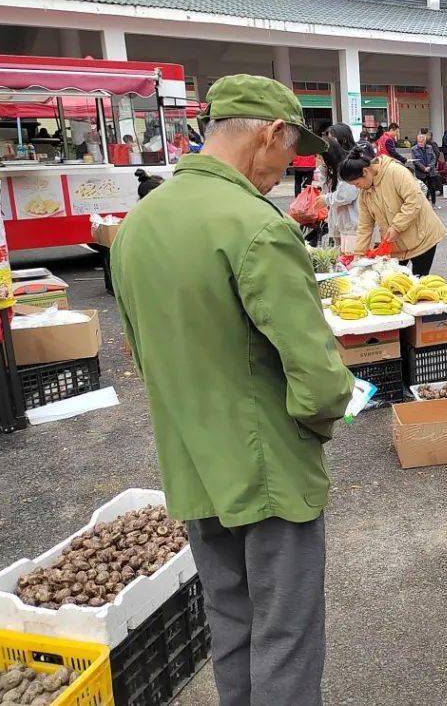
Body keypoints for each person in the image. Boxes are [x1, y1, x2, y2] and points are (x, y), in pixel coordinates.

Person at [111, 75, 352, 706]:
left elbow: (144, 354)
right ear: (269, 132)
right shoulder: (256, 225)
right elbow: (319, 374)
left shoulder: (138, 224)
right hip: (269, 467)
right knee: (286, 635)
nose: (284, 172)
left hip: (193, 461)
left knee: (231, 624)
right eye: (287, 153)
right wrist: (317, 422)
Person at [342, 144, 446, 275]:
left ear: (365, 171)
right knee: (393, 282)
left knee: (418, 282)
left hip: (423, 238)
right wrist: (359, 254)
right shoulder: (364, 193)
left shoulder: (395, 172)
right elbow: (365, 225)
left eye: (357, 183)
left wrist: (397, 227)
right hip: (396, 246)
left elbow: (414, 201)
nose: (358, 188)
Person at [320, 124, 359, 248]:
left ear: (344, 139)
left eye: (333, 139)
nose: (331, 143)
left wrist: (326, 199)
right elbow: (327, 190)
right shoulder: (331, 166)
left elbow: (347, 195)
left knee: (351, 258)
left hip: (353, 224)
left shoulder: (350, 163)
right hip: (338, 221)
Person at [410, 131, 440, 205]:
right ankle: (424, 203)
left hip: (430, 171)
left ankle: (433, 203)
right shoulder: (414, 149)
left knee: (432, 187)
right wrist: (424, 168)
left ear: (425, 141)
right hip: (420, 171)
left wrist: (430, 166)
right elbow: (415, 161)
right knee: (422, 188)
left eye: (422, 142)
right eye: (419, 141)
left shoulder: (429, 147)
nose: (421, 143)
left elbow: (434, 158)